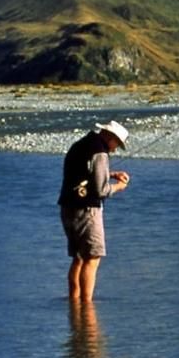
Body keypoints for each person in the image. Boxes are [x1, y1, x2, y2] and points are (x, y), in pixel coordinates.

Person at [58, 120, 131, 302]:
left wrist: (110, 173)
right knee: (92, 257)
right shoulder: (100, 151)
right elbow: (101, 191)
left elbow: (82, 171)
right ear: (110, 136)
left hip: (68, 207)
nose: (114, 150)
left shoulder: (81, 144)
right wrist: (118, 187)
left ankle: (74, 304)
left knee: (78, 258)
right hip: (87, 210)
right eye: (117, 144)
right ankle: (87, 306)